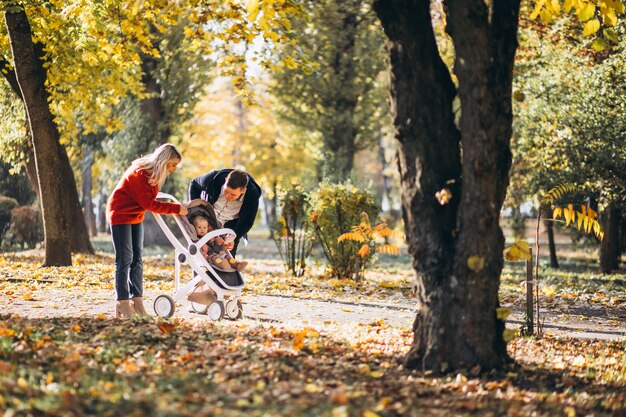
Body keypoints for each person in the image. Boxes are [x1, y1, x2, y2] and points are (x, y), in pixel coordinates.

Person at [106, 143, 188, 319]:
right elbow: (149, 204)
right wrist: (176, 209)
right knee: (125, 259)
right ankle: (122, 302)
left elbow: (148, 199)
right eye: (173, 165)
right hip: (120, 214)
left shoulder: (154, 176)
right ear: (164, 160)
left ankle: (138, 302)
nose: (174, 169)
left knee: (138, 259)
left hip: (135, 216)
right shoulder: (140, 173)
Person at [188, 169, 262, 256]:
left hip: (230, 226)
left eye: (233, 195)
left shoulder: (252, 196)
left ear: (243, 191)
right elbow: (194, 183)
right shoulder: (213, 178)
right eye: (226, 191)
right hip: (206, 221)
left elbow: (247, 222)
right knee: (200, 255)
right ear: (225, 180)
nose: (228, 196)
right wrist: (196, 210)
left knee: (227, 258)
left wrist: (233, 237)